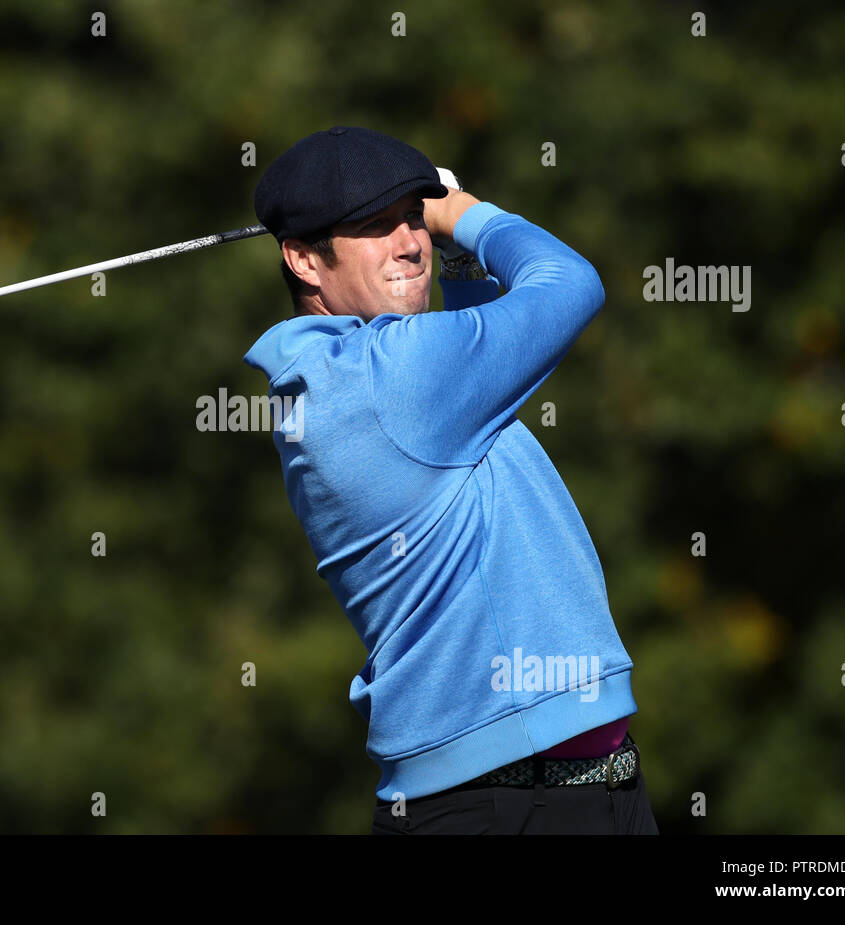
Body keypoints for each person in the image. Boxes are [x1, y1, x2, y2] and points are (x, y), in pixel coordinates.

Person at [243, 126, 659, 834]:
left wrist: (459, 258)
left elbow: (486, 378)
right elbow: (571, 284)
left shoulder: (346, 377)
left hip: (564, 790)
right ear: (304, 259)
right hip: (507, 807)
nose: (410, 242)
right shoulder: (391, 377)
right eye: (376, 226)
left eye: (414, 216)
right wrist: (463, 210)